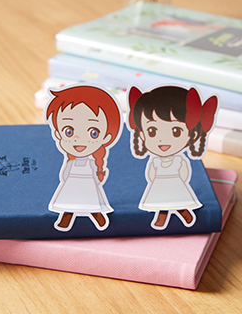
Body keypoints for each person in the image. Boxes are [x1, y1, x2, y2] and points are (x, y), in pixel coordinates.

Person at [127, 85, 218, 230]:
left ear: (192, 134)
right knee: (161, 200)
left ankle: (184, 213)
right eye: (152, 131)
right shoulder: (155, 161)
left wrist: (173, 180)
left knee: (177, 199)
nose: (162, 139)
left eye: (176, 131)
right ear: (142, 134)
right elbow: (151, 175)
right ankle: (162, 217)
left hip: (175, 183)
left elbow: (182, 174)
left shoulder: (178, 160)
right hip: (159, 184)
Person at [45, 85, 123, 231]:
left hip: (88, 186)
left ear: (106, 137)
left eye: (93, 132)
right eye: (68, 131)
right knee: (68, 202)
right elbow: (65, 175)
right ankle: (67, 219)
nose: (78, 138)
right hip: (72, 185)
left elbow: (69, 175)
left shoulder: (92, 163)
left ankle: (98, 218)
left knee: (92, 202)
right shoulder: (71, 162)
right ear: (57, 133)